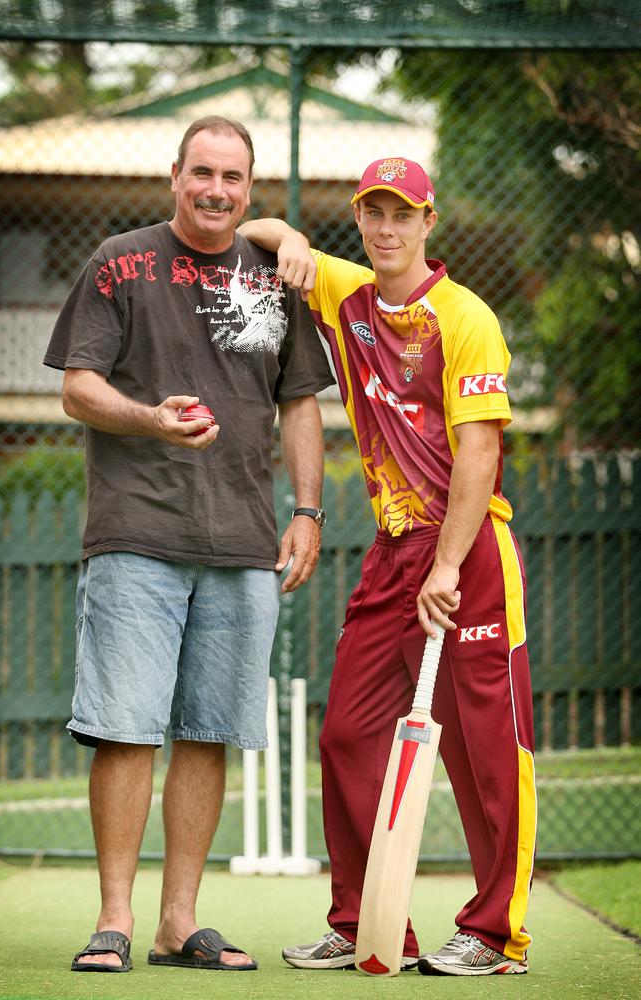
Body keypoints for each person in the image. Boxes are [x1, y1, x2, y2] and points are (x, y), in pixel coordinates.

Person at [43, 115, 335, 975]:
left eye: (232, 178)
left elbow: (303, 404)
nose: (215, 189)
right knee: (127, 730)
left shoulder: (277, 276)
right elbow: (77, 389)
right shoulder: (120, 262)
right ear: (175, 176)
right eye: (200, 172)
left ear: (250, 190)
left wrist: (308, 511)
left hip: (245, 542)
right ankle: (114, 920)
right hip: (136, 532)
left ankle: (179, 922)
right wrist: (152, 421)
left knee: (208, 733)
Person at [239, 156, 536, 976]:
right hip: (393, 548)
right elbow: (254, 230)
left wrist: (448, 563)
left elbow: (481, 449)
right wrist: (292, 235)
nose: (387, 228)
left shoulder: (465, 317)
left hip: (468, 551)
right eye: (374, 213)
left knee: (486, 749)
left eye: (402, 214)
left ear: (428, 221)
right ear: (360, 219)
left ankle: (493, 933)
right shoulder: (347, 293)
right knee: (345, 735)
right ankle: (366, 924)